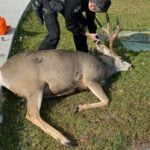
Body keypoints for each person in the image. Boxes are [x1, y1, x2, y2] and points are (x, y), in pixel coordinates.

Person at [33, 0, 111, 52]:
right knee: (54, 35)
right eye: (99, 11)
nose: (98, 13)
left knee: (82, 24)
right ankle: (38, 58)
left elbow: (90, 18)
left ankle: (82, 54)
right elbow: (70, 25)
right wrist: (87, 34)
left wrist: (94, 35)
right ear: (92, 6)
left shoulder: (92, 2)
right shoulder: (75, 3)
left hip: (66, 4)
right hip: (49, 2)